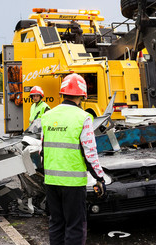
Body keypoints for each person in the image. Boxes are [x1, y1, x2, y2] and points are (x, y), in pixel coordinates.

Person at [41, 73, 105, 245]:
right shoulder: (83, 117)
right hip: (73, 185)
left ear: (63, 93)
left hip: (51, 181)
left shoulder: (47, 116)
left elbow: (42, 150)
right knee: (75, 227)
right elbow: (90, 153)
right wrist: (100, 178)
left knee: (56, 224)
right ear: (82, 96)